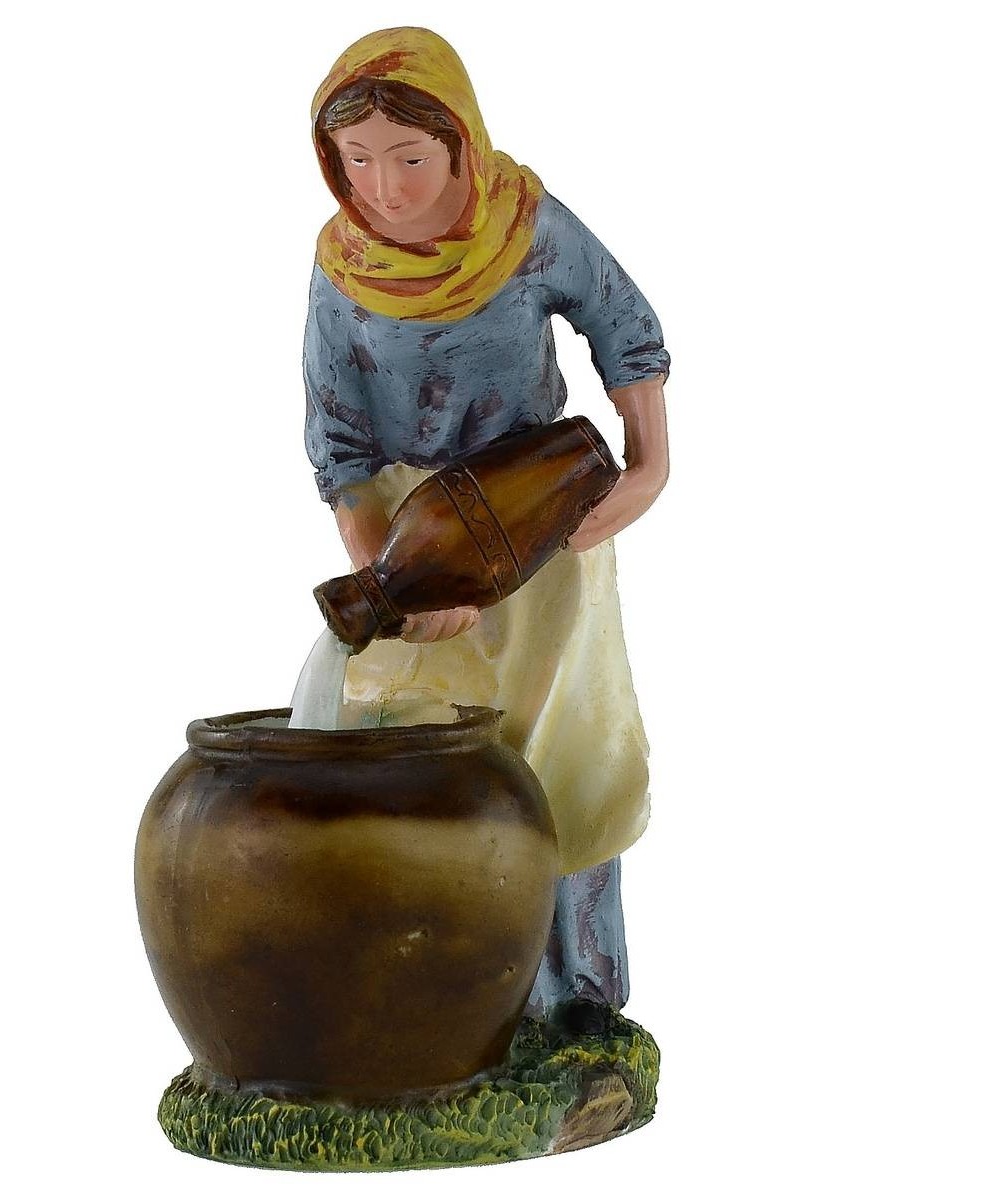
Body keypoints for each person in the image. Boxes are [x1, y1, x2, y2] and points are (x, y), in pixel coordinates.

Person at [303, 27, 670, 1020]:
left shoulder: (526, 227)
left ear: (461, 141)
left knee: (562, 756)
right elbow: (339, 443)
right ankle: (453, 1003)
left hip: (542, 521)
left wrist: (648, 466)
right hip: (416, 534)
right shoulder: (342, 271)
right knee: (417, 756)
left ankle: (577, 996)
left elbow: (624, 323)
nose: (384, 188)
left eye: (410, 157)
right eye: (357, 160)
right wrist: (397, 581)